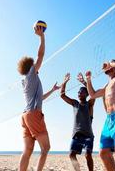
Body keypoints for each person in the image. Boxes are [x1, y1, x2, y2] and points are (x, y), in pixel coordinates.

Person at [18, 25, 60, 171]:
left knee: (28, 150)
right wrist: (42, 36)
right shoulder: (31, 73)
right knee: (46, 148)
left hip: (25, 115)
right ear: (30, 66)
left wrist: (52, 90)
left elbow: (40, 97)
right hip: (34, 114)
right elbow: (41, 55)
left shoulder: (26, 81)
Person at [60, 73, 95, 171]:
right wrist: (65, 82)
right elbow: (62, 95)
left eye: (82, 91)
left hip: (88, 135)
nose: (79, 93)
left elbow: (93, 94)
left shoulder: (90, 104)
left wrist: (84, 82)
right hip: (76, 135)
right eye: (78, 92)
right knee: (71, 155)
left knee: (88, 155)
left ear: (86, 94)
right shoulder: (75, 103)